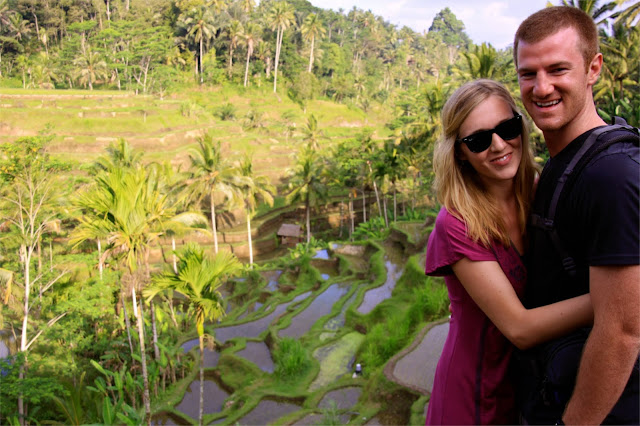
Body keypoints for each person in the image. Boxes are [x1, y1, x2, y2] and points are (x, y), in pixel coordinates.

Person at [424, 79, 594, 425]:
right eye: (479, 140)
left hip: (526, 382)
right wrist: (620, 296)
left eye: (507, 127)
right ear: (460, 151)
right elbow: (519, 327)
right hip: (472, 391)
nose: (499, 145)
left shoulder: (537, 193)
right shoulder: (458, 223)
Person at [513, 6, 640, 425]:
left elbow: (621, 333)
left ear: (593, 69)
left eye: (558, 69)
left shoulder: (611, 175)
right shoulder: (564, 165)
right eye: (528, 73)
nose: (541, 86)